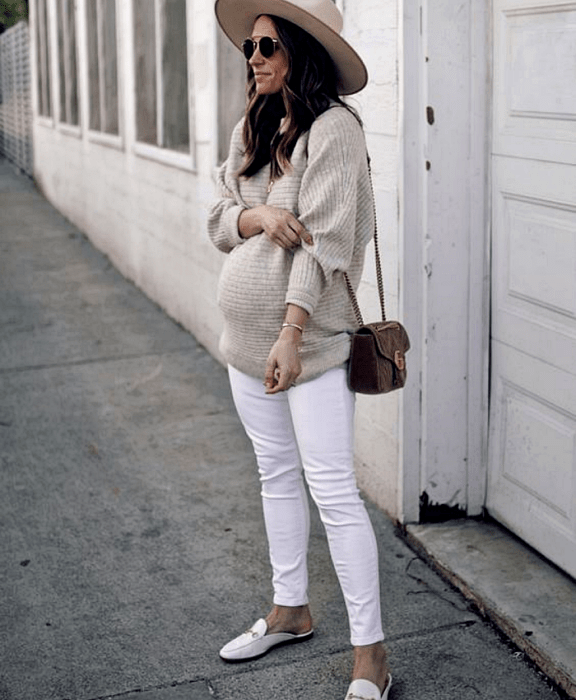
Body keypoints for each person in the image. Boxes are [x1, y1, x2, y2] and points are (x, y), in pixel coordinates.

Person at [208, 1, 392, 698]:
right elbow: (218, 217)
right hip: (242, 345)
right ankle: (291, 609)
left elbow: (329, 245)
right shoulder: (254, 124)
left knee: (334, 492)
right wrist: (257, 215)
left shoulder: (335, 131)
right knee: (275, 475)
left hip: (305, 346)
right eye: (249, 46)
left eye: (266, 46)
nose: (252, 57)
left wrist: (290, 332)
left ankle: (371, 655)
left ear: (302, 53)